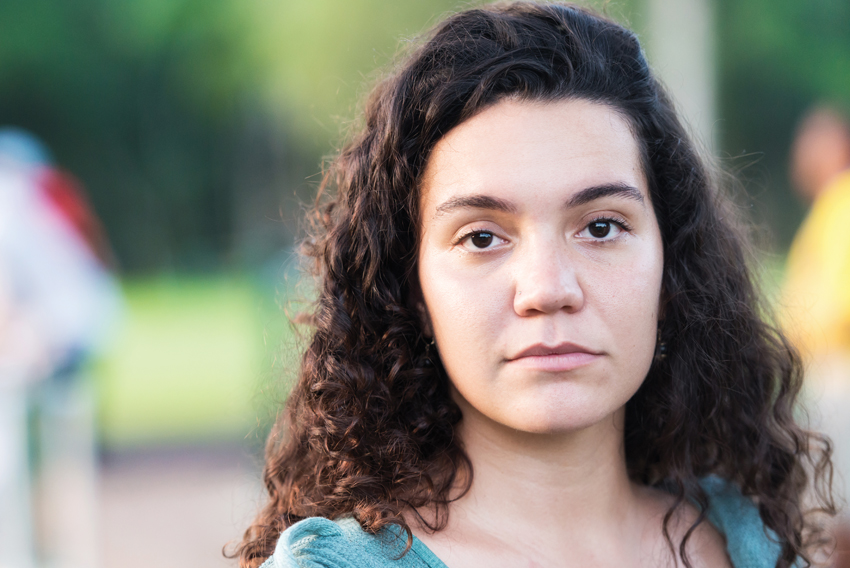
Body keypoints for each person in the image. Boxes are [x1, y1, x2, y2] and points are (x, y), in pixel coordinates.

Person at [234, 3, 835, 567]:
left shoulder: (751, 544)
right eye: (482, 238)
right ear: (410, 289)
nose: (547, 289)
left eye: (600, 227)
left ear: (670, 264)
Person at [783, 105, 850, 567]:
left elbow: (833, 304)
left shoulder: (843, 203)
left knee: (831, 510)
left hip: (837, 372)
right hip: (822, 375)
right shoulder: (829, 206)